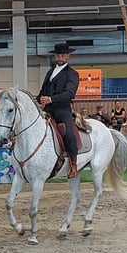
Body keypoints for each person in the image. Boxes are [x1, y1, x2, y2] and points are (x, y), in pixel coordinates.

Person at [37, 43, 80, 178]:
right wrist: (38, 100)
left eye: (62, 55)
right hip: (48, 110)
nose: (60, 57)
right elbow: (43, 90)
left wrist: (50, 99)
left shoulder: (72, 74)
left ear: (68, 56)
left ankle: (73, 164)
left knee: (68, 132)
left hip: (62, 109)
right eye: (57, 55)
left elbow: (69, 93)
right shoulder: (50, 72)